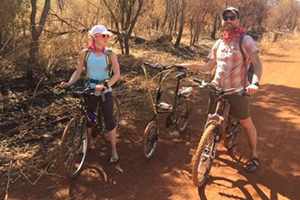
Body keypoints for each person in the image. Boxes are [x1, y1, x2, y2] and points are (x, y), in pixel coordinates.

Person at [181, 7, 263, 173]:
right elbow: (209, 66)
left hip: (237, 89)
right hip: (217, 87)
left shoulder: (245, 40)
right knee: (212, 119)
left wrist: (255, 83)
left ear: (238, 20)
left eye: (232, 17)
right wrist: (189, 65)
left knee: (246, 123)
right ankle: (209, 143)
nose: (228, 20)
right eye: (226, 17)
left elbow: (257, 63)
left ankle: (254, 156)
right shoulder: (219, 43)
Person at [60, 25, 120, 164]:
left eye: (108, 36)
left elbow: (117, 74)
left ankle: (114, 150)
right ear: (95, 37)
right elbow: (78, 71)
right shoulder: (85, 53)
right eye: (104, 36)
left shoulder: (110, 54)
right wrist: (68, 83)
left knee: (109, 120)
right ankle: (87, 144)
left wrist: (106, 85)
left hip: (105, 91)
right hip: (90, 90)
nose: (107, 38)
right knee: (89, 118)